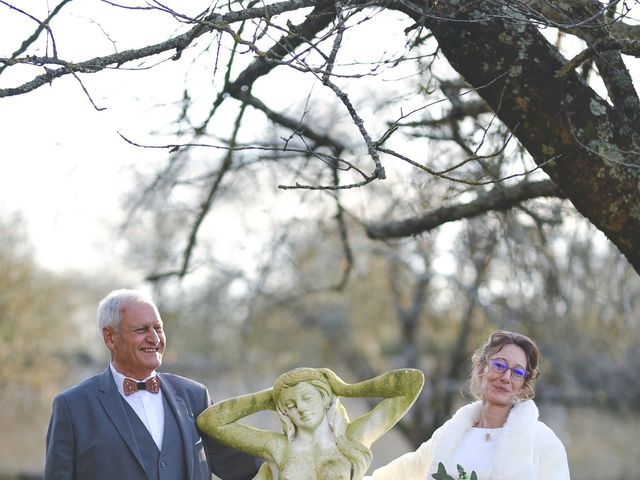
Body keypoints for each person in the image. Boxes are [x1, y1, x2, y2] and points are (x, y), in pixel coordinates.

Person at [44, 288, 261, 480]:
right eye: (141, 330)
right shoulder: (73, 407)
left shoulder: (194, 396)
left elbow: (244, 468)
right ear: (110, 338)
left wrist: (291, 442)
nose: (155, 339)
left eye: (158, 328)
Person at [366, 330, 570, 480]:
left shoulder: (542, 441)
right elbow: (399, 474)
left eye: (517, 372)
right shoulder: (449, 435)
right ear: (481, 369)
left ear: (523, 385)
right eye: (499, 365)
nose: (506, 377)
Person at [196, 367, 424, 480]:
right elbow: (210, 421)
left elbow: (410, 383)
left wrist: (346, 389)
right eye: (291, 405)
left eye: (306, 398)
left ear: (325, 398)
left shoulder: (352, 439)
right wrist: (269, 398)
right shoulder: (278, 447)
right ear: (284, 411)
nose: (301, 408)